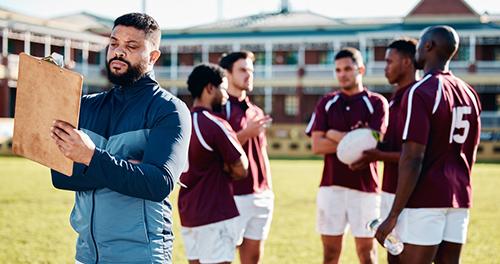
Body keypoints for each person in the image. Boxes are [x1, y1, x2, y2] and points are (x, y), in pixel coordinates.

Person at [49, 13, 191, 264]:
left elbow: (158, 184)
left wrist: (90, 158)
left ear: (153, 56)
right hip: (86, 254)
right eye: (114, 43)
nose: (118, 52)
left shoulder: (169, 109)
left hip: (141, 255)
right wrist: (128, 169)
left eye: (131, 46)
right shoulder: (85, 106)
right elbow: (60, 176)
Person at [375, 25, 482, 264]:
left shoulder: (421, 90)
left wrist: (393, 215)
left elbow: (413, 158)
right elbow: (470, 153)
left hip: (425, 200)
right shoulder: (470, 92)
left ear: (428, 46)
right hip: (459, 198)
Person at [309, 47, 389, 264]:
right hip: (331, 186)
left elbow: (373, 143)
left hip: (365, 188)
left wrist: (333, 134)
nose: (342, 74)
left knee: (367, 253)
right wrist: (354, 140)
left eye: (347, 68)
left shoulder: (376, 103)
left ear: (360, 69)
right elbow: (317, 145)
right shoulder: (327, 102)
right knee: (330, 253)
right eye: (337, 70)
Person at [350, 38, 418, 263]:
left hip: (412, 196)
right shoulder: (395, 99)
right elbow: (393, 146)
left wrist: (377, 155)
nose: (385, 67)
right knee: (393, 258)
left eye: (389, 61)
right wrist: (365, 145)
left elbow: (417, 156)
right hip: (389, 190)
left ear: (407, 62)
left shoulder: (416, 98)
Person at [178, 63, 249, 264]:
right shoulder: (214, 123)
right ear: (210, 88)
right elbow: (242, 168)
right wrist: (225, 167)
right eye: (223, 89)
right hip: (215, 213)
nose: (226, 96)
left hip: (188, 213)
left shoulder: (179, 124)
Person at [218, 51, 274, 264]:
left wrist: (269, 188)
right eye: (242, 70)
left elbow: (262, 152)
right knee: (223, 258)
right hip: (233, 197)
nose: (249, 75)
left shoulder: (256, 111)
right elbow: (217, 154)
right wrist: (245, 133)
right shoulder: (219, 110)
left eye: (251, 70)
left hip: (261, 197)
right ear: (228, 74)